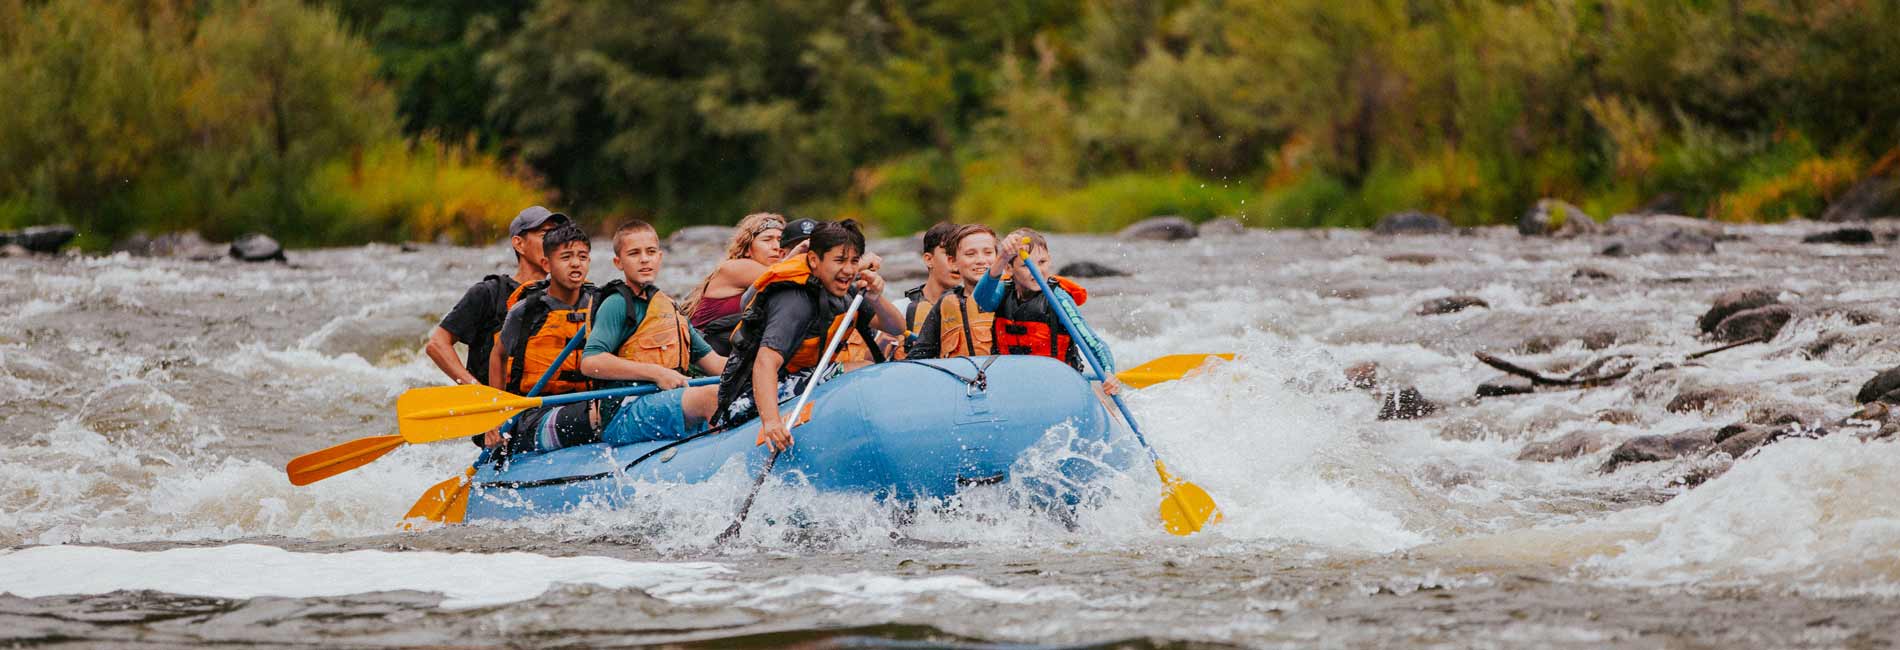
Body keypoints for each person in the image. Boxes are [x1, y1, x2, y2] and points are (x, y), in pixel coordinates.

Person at [713, 220, 906, 452]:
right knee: (862, 369)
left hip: (799, 377)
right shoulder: (795, 300)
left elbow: (896, 327)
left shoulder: (843, 290)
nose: (848, 269)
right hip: (749, 398)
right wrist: (772, 423)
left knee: (873, 368)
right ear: (814, 260)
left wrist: (876, 298)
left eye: (854, 261)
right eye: (839, 260)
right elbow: (765, 363)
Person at [425, 206, 567, 387]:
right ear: (519, 243)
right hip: (496, 404)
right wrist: (475, 389)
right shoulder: (488, 293)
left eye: (558, 235)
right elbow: (437, 344)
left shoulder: (566, 295)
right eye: (545, 234)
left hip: (544, 403)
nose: (555, 242)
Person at [980, 228, 1122, 394]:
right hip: (1011, 383)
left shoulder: (1059, 299)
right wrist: (1002, 257)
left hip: (1057, 386)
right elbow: (982, 300)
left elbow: (1093, 343)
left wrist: (1108, 373)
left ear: (1050, 261)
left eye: (1042, 262)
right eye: (1026, 265)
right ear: (1009, 269)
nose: (1037, 271)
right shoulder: (1002, 292)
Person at [681, 213, 785, 355]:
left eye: (781, 240)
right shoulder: (736, 268)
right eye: (767, 240)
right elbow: (787, 278)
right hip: (701, 358)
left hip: (730, 355)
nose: (777, 246)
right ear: (748, 250)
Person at [905, 224, 999, 360]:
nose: (980, 260)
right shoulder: (945, 304)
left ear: (998, 258)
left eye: (988, 253)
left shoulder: (1012, 297)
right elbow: (919, 355)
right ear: (953, 262)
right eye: (970, 254)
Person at [887, 221, 961, 359]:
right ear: (928, 259)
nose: (956, 262)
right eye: (949, 254)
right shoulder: (900, 310)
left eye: (962, 254)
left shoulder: (976, 306)